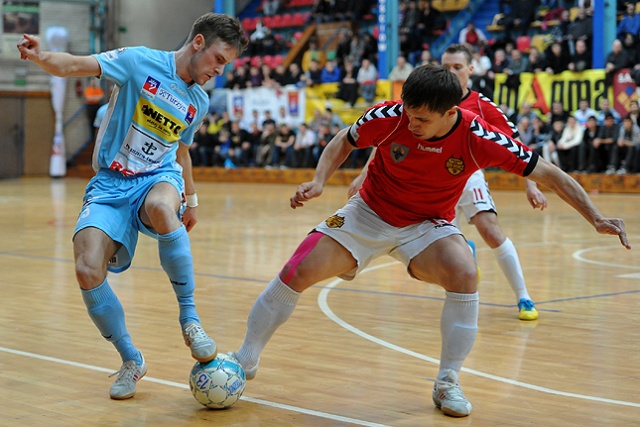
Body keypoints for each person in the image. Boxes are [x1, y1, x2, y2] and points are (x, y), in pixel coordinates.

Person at [229, 64, 629, 419]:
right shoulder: (389, 115)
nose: (410, 122)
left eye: (421, 118)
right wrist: (319, 181)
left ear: (450, 112)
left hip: (428, 224)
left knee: (464, 271)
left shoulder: (479, 136)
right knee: (297, 268)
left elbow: (551, 174)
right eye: (408, 111)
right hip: (367, 212)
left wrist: (595, 218)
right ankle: (245, 359)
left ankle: (447, 381)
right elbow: (342, 141)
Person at [17, 12, 248, 400]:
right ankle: (131, 359)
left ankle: (190, 320)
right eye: (218, 60)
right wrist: (41, 57)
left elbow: (183, 151)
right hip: (110, 183)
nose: (219, 71)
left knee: (162, 208)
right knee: (87, 269)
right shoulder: (140, 60)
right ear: (198, 43)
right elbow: (74, 65)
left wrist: (190, 201)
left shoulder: (198, 101)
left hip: (158, 178)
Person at [349, 44, 547, 321]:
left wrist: (531, 184)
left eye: (457, 67)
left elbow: (516, 147)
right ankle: (462, 264)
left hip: (465, 174)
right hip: (426, 177)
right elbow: (386, 139)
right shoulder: (424, 102)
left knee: (490, 230)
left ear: (471, 69)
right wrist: (363, 174)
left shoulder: (482, 106)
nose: (451, 72)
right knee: (444, 246)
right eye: (446, 67)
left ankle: (523, 296)